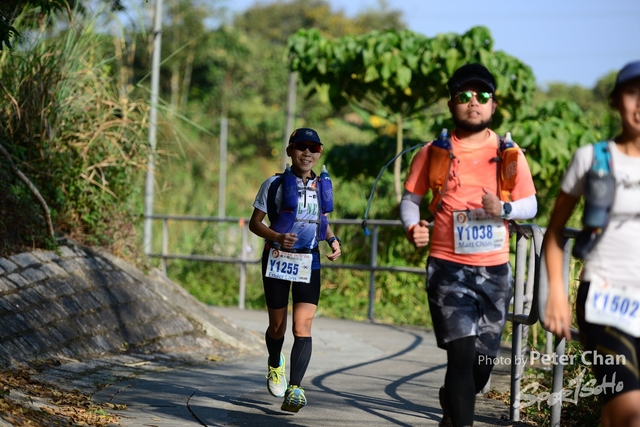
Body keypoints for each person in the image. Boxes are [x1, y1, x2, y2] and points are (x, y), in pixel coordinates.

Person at [399, 63, 538, 427]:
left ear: (494, 105)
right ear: (451, 104)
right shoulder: (432, 152)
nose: (473, 102)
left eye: (482, 95)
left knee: (481, 364)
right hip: (448, 268)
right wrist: (413, 226)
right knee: (460, 357)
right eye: (464, 96)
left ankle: (451, 402)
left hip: (495, 271)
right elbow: (410, 200)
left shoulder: (509, 153)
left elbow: (530, 204)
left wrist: (504, 208)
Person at [543, 60, 640, 427]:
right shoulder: (591, 158)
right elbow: (554, 231)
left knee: (616, 414)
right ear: (616, 101)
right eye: (632, 93)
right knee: (632, 412)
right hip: (604, 299)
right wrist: (556, 293)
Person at [249, 127, 342, 413]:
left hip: (308, 260)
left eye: (314, 148)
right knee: (278, 326)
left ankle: (296, 388)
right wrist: (277, 236)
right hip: (278, 257)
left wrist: (333, 240)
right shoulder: (274, 184)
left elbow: (320, 221)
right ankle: (275, 363)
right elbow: (255, 223)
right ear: (290, 150)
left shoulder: (321, 186)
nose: (308, 153)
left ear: (320, 153)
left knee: (303, 325)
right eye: (302, 147)